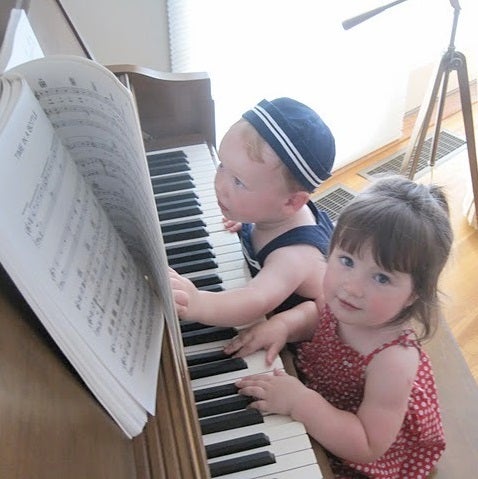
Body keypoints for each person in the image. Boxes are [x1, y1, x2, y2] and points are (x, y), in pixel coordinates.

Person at [228, 176, 453, 479]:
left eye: (382, 278)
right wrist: (284, 325)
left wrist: (301, 403)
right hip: (326, 407)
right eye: (346, 260)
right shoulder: (344, 300)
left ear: (414, 293)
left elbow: (367, 445)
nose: (352, 287)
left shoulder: (394, 360)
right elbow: (318, 313)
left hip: (362, 439)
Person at [169, 97, 335, 326]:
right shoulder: (274, 212)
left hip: (301, 334)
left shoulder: (294, 256)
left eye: (238, 182)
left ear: (292, 202)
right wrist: (247, 223)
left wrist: (198, 303)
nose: (219, 185)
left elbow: (255, 300)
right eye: (222, 165)